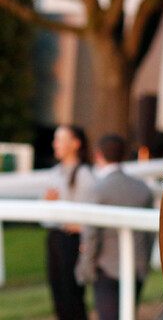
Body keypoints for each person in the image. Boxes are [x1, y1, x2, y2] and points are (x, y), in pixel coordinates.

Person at [75, 134, 155, 320]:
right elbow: (149, 234)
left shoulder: (98, 189)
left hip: (107, 269)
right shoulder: (142, 188)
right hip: (137, 266)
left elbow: (91, 234)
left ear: (98, 155)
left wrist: (85, 268)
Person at [44, 125, 95, 320]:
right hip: (55, 237)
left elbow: (92, 211)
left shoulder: (84, 174)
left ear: (75, 144)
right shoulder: (56, 171)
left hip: (73, 241)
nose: (55, 144)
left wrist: (79, 226)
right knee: (57, 293)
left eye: (60, 139)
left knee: (72, 295)